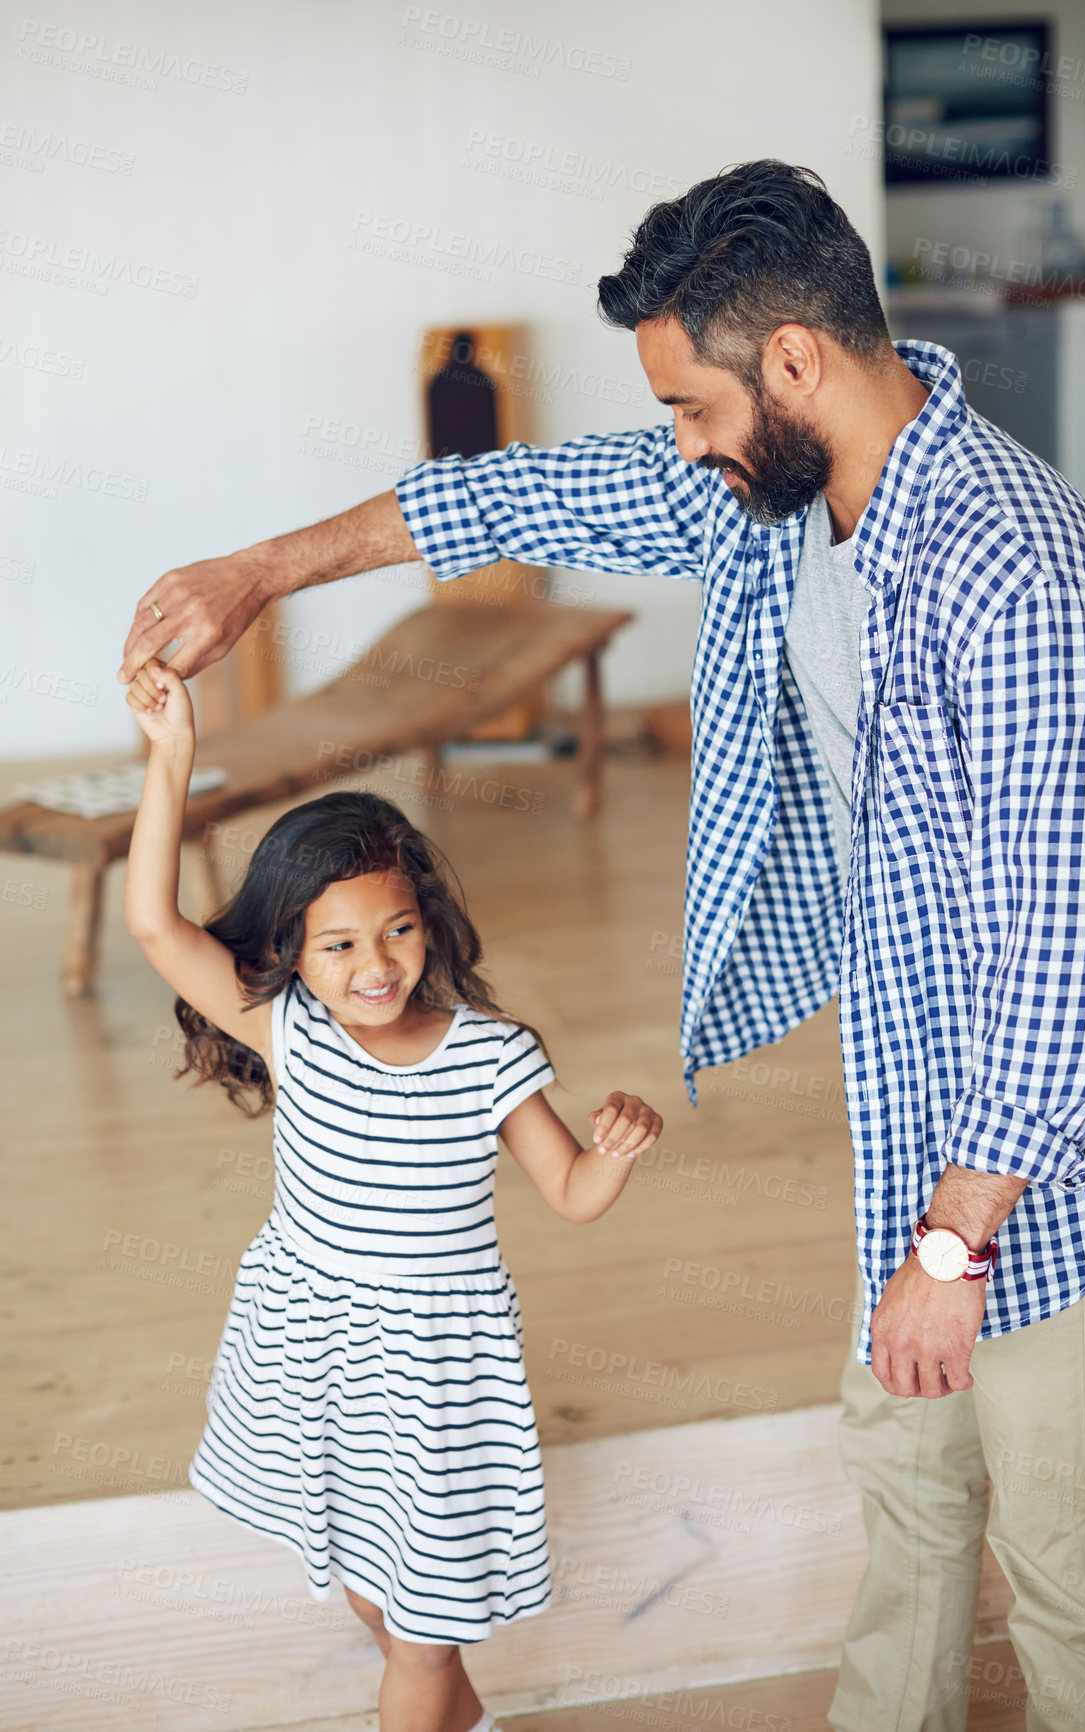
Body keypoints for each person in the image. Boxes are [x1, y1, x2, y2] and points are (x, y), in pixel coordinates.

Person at [120, 161, 1085, 1729]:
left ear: (791, 362)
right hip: (919, 1141)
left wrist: (951, 1246)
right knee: (910, 1490)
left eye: (685, 406)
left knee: (1079, 1578)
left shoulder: (1019, 580)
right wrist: (259, 574)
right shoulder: (785, 490)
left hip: (1048, 1192)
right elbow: (507, 495)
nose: (674, 442)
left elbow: (1083, 964)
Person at [122, 658, 662, 1732]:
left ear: (430, 919)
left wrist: (617, 1147)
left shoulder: (490, 1055)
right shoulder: (290, 1030)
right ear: (288, 952)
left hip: (433, 1378)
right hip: (313, 1354)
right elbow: (153, 923)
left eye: (398, 929)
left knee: (423, 1624)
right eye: (339, 944)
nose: (376, 964)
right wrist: (170, 757)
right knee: (377, 1594)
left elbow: (568, 1191)